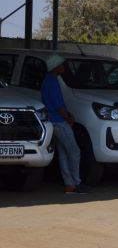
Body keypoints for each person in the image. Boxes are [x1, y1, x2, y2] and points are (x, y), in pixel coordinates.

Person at [41, 55, 89, 194]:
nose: (64, 68)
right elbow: (58, 105)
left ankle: (69, 184)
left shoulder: (48, 81)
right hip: (59, 121)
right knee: (74, 151)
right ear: (55, 67)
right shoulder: (52, 82)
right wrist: (67, 117)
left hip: (53, 121)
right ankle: (76, 182)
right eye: (61, 65)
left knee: (63, 153)